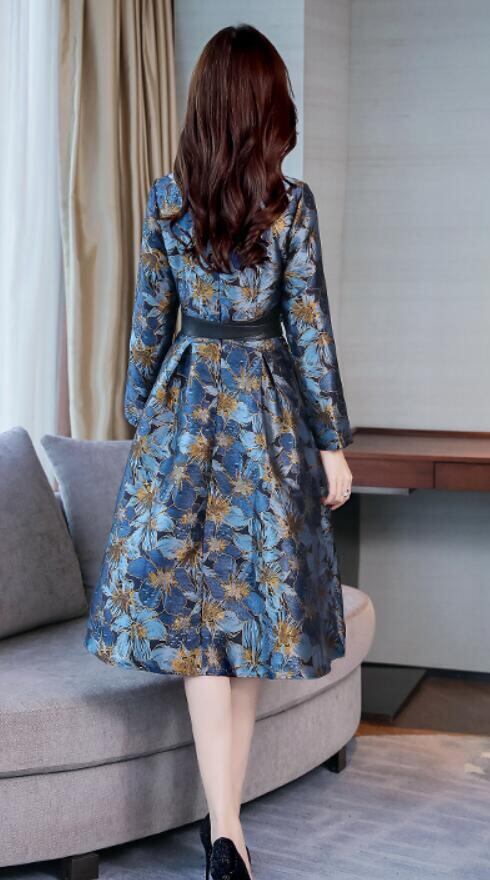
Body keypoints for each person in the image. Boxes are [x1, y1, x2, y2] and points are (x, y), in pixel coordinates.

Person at [84, 22, 353, 880]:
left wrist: (141, 414)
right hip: (265, 417)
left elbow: (148, 329)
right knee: (249, 621)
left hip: (185, 412)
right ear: (265, 106)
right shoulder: (292, 204)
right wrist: (331, 443)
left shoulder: (167, 200)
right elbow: (309, 332)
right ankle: (226, 829)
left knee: (204, 631)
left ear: (204, 105)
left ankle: (226, 828)